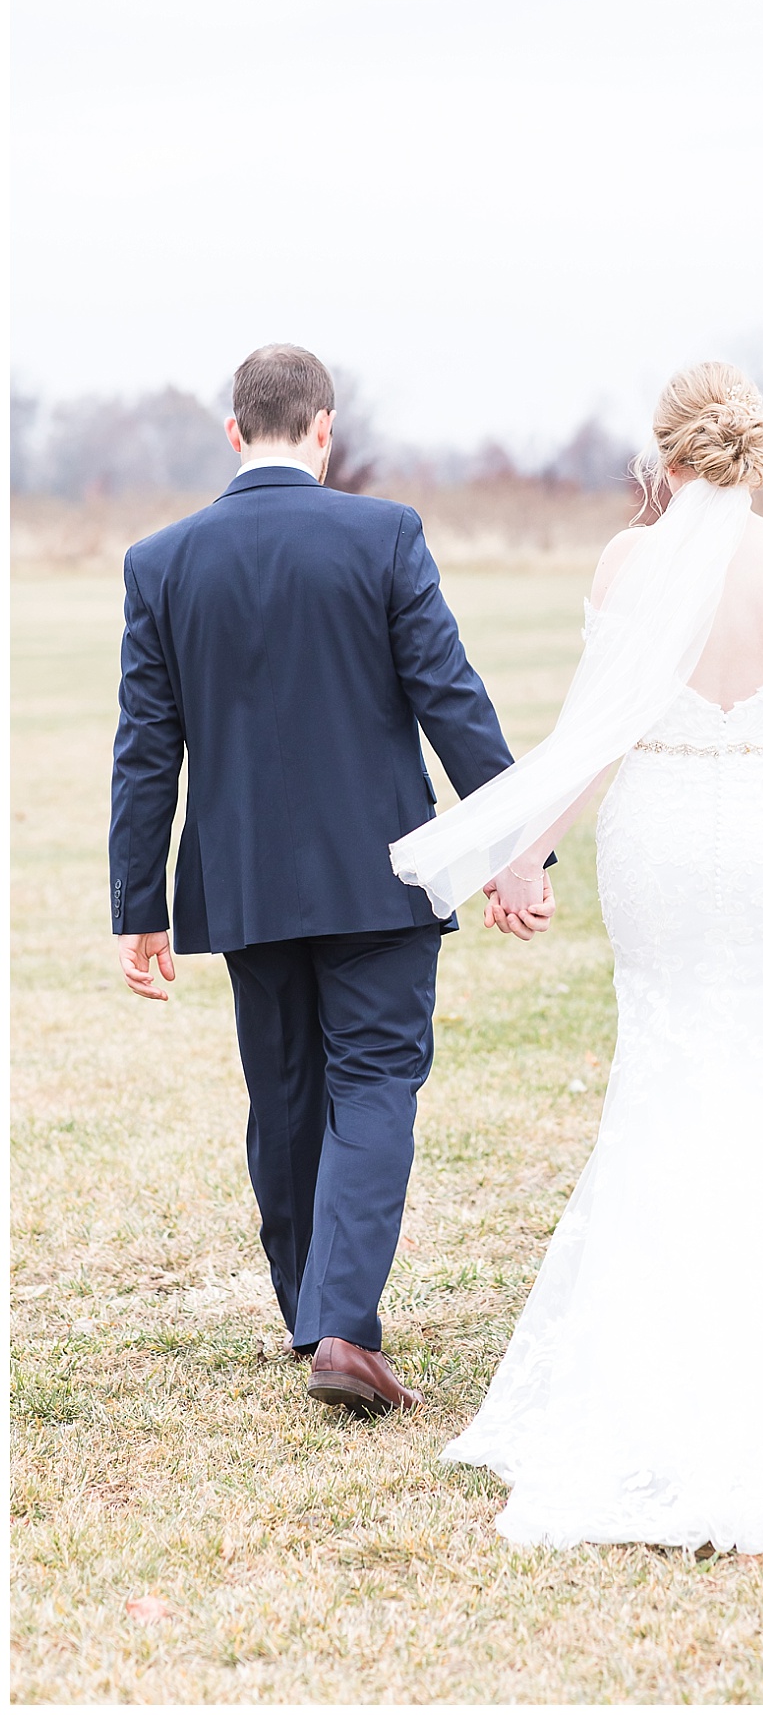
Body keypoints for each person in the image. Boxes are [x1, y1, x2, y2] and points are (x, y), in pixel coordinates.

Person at [392, 362, 763, 1550]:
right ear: (755, 449)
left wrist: (526, 855)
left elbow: (599, 733)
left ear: (668, 455)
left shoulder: (628, 562)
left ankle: (647, 1360)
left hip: (659, 844)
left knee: (664, 1077)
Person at [109, 344, 551, 1420]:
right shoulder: (383, 533)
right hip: (382, 874)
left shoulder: (159, 561)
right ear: (324, 429)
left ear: (233, 432)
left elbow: (144, 749)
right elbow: (452, 697)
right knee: (375, 1085)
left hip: (247, 885)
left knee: (288, 1094)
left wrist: (141, 906)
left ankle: (313, 1311)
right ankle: (343, 1327)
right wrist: (511, 845)